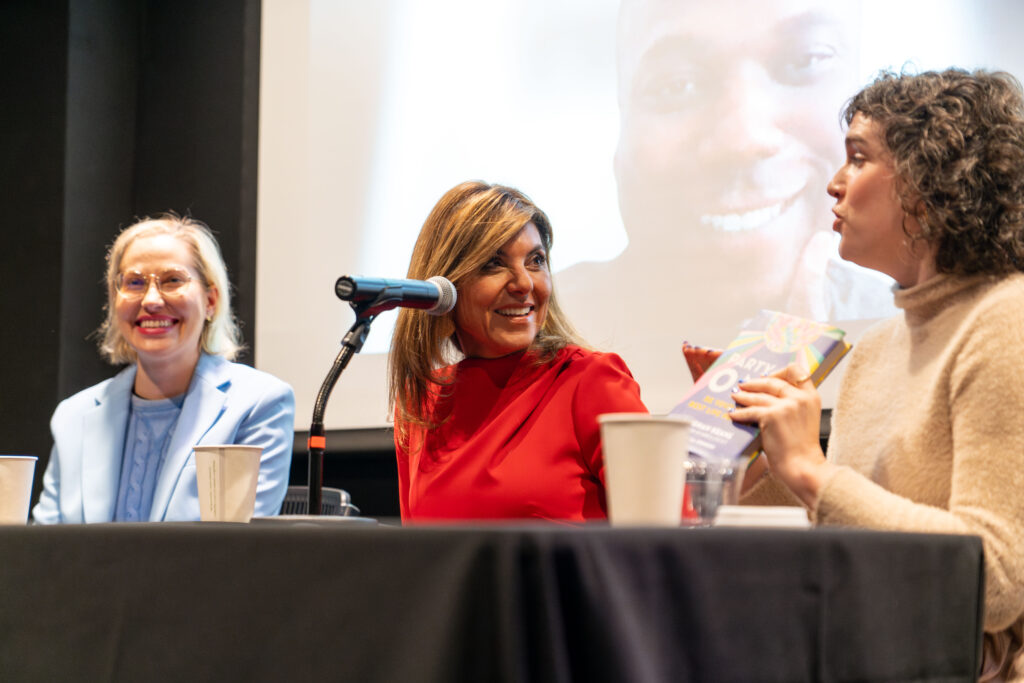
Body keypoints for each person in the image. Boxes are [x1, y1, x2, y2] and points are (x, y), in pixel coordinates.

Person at [730, 69, 1024, 681]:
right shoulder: (876, 348)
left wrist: (810, 469)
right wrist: (753, 450)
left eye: (858, 159)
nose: (834, 185)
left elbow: (994, 579)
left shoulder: (1006, 319)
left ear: (932, 178)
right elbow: (844, 534)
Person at [557, 0, 896, 412]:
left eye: (804, 61)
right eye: (676, 85)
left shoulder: (918, 331)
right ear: (621, 136)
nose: (743, 138)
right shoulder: (534, 333)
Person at [388, 181, 648, 522]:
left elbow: (669, 536)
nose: (524, 283)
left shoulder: (590, 381)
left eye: (535, 260)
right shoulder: (420, 402)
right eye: (493, 264)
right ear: (445, 284)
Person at [33, 214, 295, 523]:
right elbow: (47, 548)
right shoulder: (73, 416)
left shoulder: (258, 405)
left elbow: (237, 554)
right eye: (134, 282)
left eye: (172, 280)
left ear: (211, 300)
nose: (152, 300)